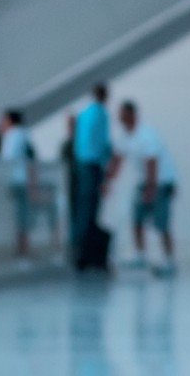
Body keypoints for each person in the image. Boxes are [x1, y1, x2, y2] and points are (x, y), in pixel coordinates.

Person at [111, 99, 178, 276]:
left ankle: (169, 260)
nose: (119, 117)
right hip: (143, 182)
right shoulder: (125, 136)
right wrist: (107, 181)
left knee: (161, 223)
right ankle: (140, 254)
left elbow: (152, 162)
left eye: (123, 114)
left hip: (160, 182)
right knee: (137, 219)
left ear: (132, 114)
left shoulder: (147, 134)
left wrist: (150, 189)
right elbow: (117, 159)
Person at [71, 84, 113, 269]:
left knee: (82, 208)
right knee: (90, 209)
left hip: (81, 164)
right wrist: (106, 167)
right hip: (93, 165)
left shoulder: (84, 113)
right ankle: (86, 253)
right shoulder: (101, 114)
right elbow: (103, 143)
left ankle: (78, 249)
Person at [0, 108, 37, 258]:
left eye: (3, 120)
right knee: (21, 215)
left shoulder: (12, 136)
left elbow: (7, 160)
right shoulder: (23, 135)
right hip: (22, 180)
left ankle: (21, 249)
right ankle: (23, 248)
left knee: (19, 216)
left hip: (17, 180)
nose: (0, 123)